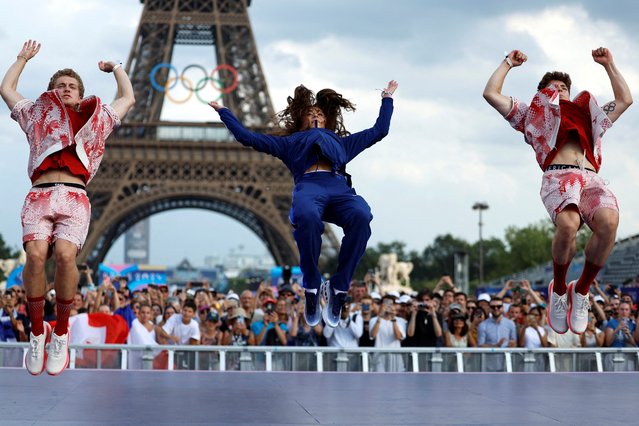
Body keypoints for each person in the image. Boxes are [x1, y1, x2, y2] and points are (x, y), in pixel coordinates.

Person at [208, 80, 398, 328]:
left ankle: (339, 287)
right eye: (310, 113)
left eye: (320, 112)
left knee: (362, 215)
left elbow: (379, 130)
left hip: (339, 187)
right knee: (306, 215)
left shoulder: (342, 142)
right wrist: (224, 112)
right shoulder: (289, 143)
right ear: (301, 121)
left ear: (329, 120)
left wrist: (387, 99)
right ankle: (311, 284)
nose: (316, 115)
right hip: (309, 187)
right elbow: (247, 137)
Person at [0, 40, 135, 376]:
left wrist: (116, 67)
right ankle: (36, 330)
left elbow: (128, 98)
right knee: (34, 256)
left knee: (64, 256)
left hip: (75, 195)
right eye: (60, 85)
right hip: (40, 193)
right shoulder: (36, 114)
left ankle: (60, 331)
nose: (66, 89)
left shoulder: (98, 118)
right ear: (51, 92)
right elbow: (6, 88)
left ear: (81, 92)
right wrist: (22, 59)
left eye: (72, 86)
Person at [483, 47, 632, 336]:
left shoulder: (588, 113)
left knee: (610, 223)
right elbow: (491, 94)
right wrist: (507, 64)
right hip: (559, 176)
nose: (560, 89)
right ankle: (560, 290)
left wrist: (609, 65)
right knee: (567, 225)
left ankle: (582, 291)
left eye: (564, 87)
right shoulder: (532, 113)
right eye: (554, 86)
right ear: (542, 92)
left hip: (590, 177)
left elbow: (626, 99)